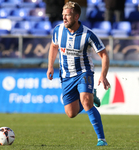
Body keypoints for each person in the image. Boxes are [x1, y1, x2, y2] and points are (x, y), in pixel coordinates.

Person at [46, 1, 110, 146]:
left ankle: (101, 139)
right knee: (71, 113)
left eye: (67, 16)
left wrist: (103, 75)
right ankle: (91, 97)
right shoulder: (58, 30)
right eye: (63, 15)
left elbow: (104, 54)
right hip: (66, 76)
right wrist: (50, 66)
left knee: (85, 102)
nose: (64, 18)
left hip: (84, 72)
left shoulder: (88, 34)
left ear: (76, 17)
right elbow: (54, 46)